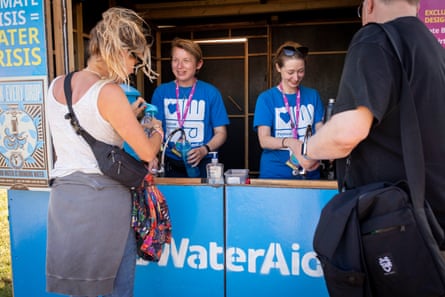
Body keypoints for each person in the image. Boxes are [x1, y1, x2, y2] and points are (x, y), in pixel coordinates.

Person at [45, 7, 163, 297]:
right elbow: (147, 152)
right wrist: (156, 131)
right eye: (134, 57)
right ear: (119, 51)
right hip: (104, 200)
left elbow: (88, 131)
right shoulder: (109, 92)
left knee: (78, 289)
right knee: (117, 288)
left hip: (64, 198)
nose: (135, 66)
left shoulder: (56, 85)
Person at [295, 0, 445, 225]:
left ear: (370, 5)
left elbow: (346, 132)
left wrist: (307, 150)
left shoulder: (375, 38)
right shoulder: (434, 49)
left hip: (395, 224)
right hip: (433, 224)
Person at [151, 38, 229, 178]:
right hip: (170, 163)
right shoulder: (161, 92)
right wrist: (152, 156)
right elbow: (155, 128)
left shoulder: (210, 92)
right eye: (175, 60)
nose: (179, 66)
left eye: (186, 60)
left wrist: (204, 150)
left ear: (198, 64)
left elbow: (221, 133)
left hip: (203, 162)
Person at [253, 41, 324, 179]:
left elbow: (320, 130)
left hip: (309, 171)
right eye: (290, 72)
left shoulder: (313, 95)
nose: (296, 77)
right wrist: (291, 142)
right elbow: (264, 140)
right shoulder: (266, 99)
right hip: (275, 173)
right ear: (278, 67)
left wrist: (320, 153)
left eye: (301, 71)